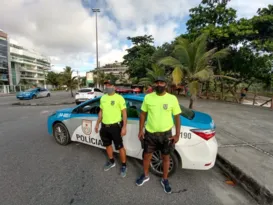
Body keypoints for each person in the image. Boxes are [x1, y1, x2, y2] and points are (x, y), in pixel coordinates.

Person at [136, 76, 181, 194]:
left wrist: (177, 134)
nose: (159, 85)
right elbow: (143, 114)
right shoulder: (148, 98)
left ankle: (165, 179)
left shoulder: (172, 99)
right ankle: (145, 175)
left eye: (161, 83)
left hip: (166, 135)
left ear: (165, 84)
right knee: (146, 156)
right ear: (154, 85)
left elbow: (177, 117)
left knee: (166, 157)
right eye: (157, 83)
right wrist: (140, 130)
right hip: (150, 134)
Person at [95, 79, 128, 177]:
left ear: (114, 87)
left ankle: (124, 165)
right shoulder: (103, 98)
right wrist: (97, 124)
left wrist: (124, 127)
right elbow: (101, 112)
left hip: (115, 127)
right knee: (107, 145)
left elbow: (124, 113)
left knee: (120, 147)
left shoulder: (119, 98)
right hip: (104, 126)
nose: (107, 87)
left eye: (109, 85)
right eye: (106, 85)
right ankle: (111, 161)